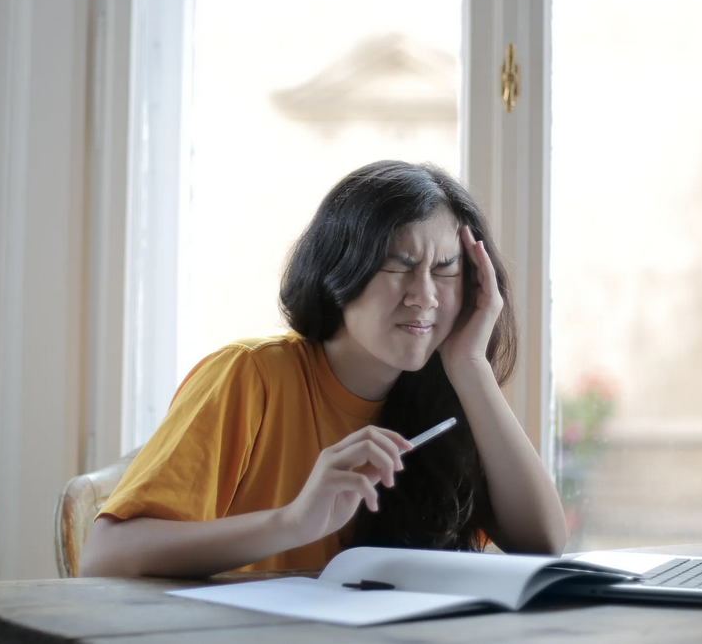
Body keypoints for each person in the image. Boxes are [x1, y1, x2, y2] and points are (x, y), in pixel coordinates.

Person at [80, 160, 567, 578]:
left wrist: (470, 363)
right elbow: (103, 558)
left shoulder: (448, 393)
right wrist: (292, 523)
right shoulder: (250, 376)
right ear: (341, 269)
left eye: (445, 269)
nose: (425, 295)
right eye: (398, 266)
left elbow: (542, 542)